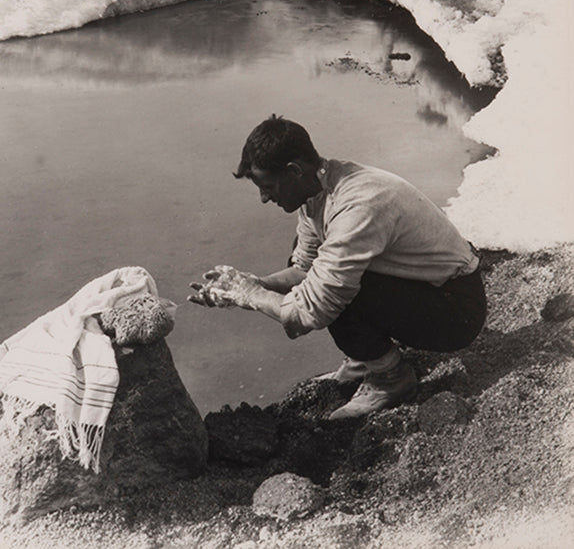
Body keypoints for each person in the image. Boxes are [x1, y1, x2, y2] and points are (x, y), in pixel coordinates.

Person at [189, 115, 487, 418]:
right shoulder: (317, 190)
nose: (264, 198)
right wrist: (252, 283)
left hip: (456, 310)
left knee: (340, 288)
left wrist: (250, 295)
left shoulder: (358, 205)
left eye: (268, 186)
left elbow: (312, 310)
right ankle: (366, 358)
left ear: (294, 171)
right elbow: (303, 269)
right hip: (427, 288)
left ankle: (390, 377)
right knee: (316, 261)